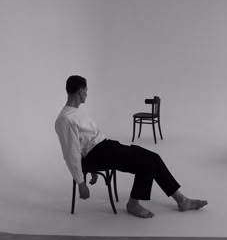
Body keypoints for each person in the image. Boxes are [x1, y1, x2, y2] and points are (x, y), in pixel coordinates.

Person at [55, 75, 208, 218]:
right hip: (98, 154)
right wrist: (81, 182)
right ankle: (133, 204)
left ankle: (182, 200)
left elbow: (85, 141)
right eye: (86, 90)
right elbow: (71, 153)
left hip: (104, 147)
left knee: (153, 157)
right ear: (80, 91)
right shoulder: (65, 119)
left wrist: (93, 170)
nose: (87, 94)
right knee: (146, 162)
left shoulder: (77, 111)